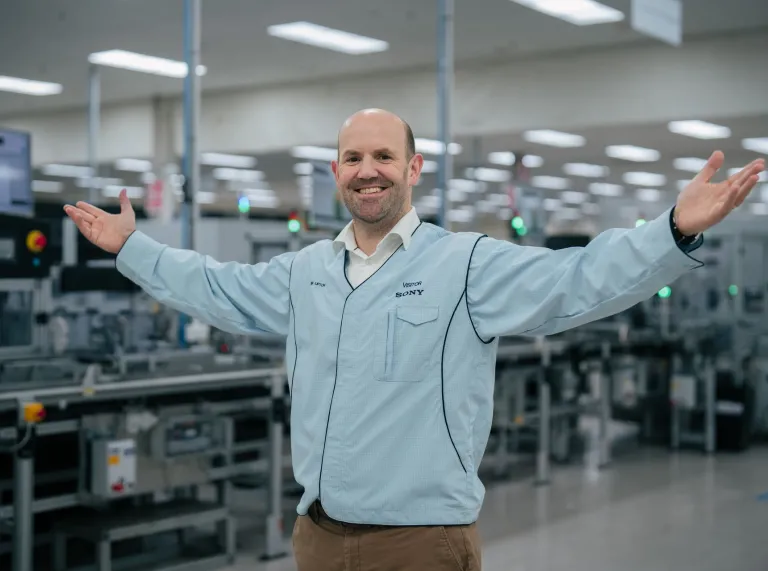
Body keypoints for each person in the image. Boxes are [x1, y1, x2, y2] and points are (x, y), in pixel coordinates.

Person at [64, 108, 764, 571]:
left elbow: (576, 279)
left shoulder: (464, 264)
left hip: (419, 543)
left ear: (412, 167)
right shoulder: (307, 271)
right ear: (336, 172)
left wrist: (671, 229)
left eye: (383, 154)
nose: (367, 168)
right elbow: (218, 287)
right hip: (315, 534)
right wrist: (135, 250)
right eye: (352, 156)